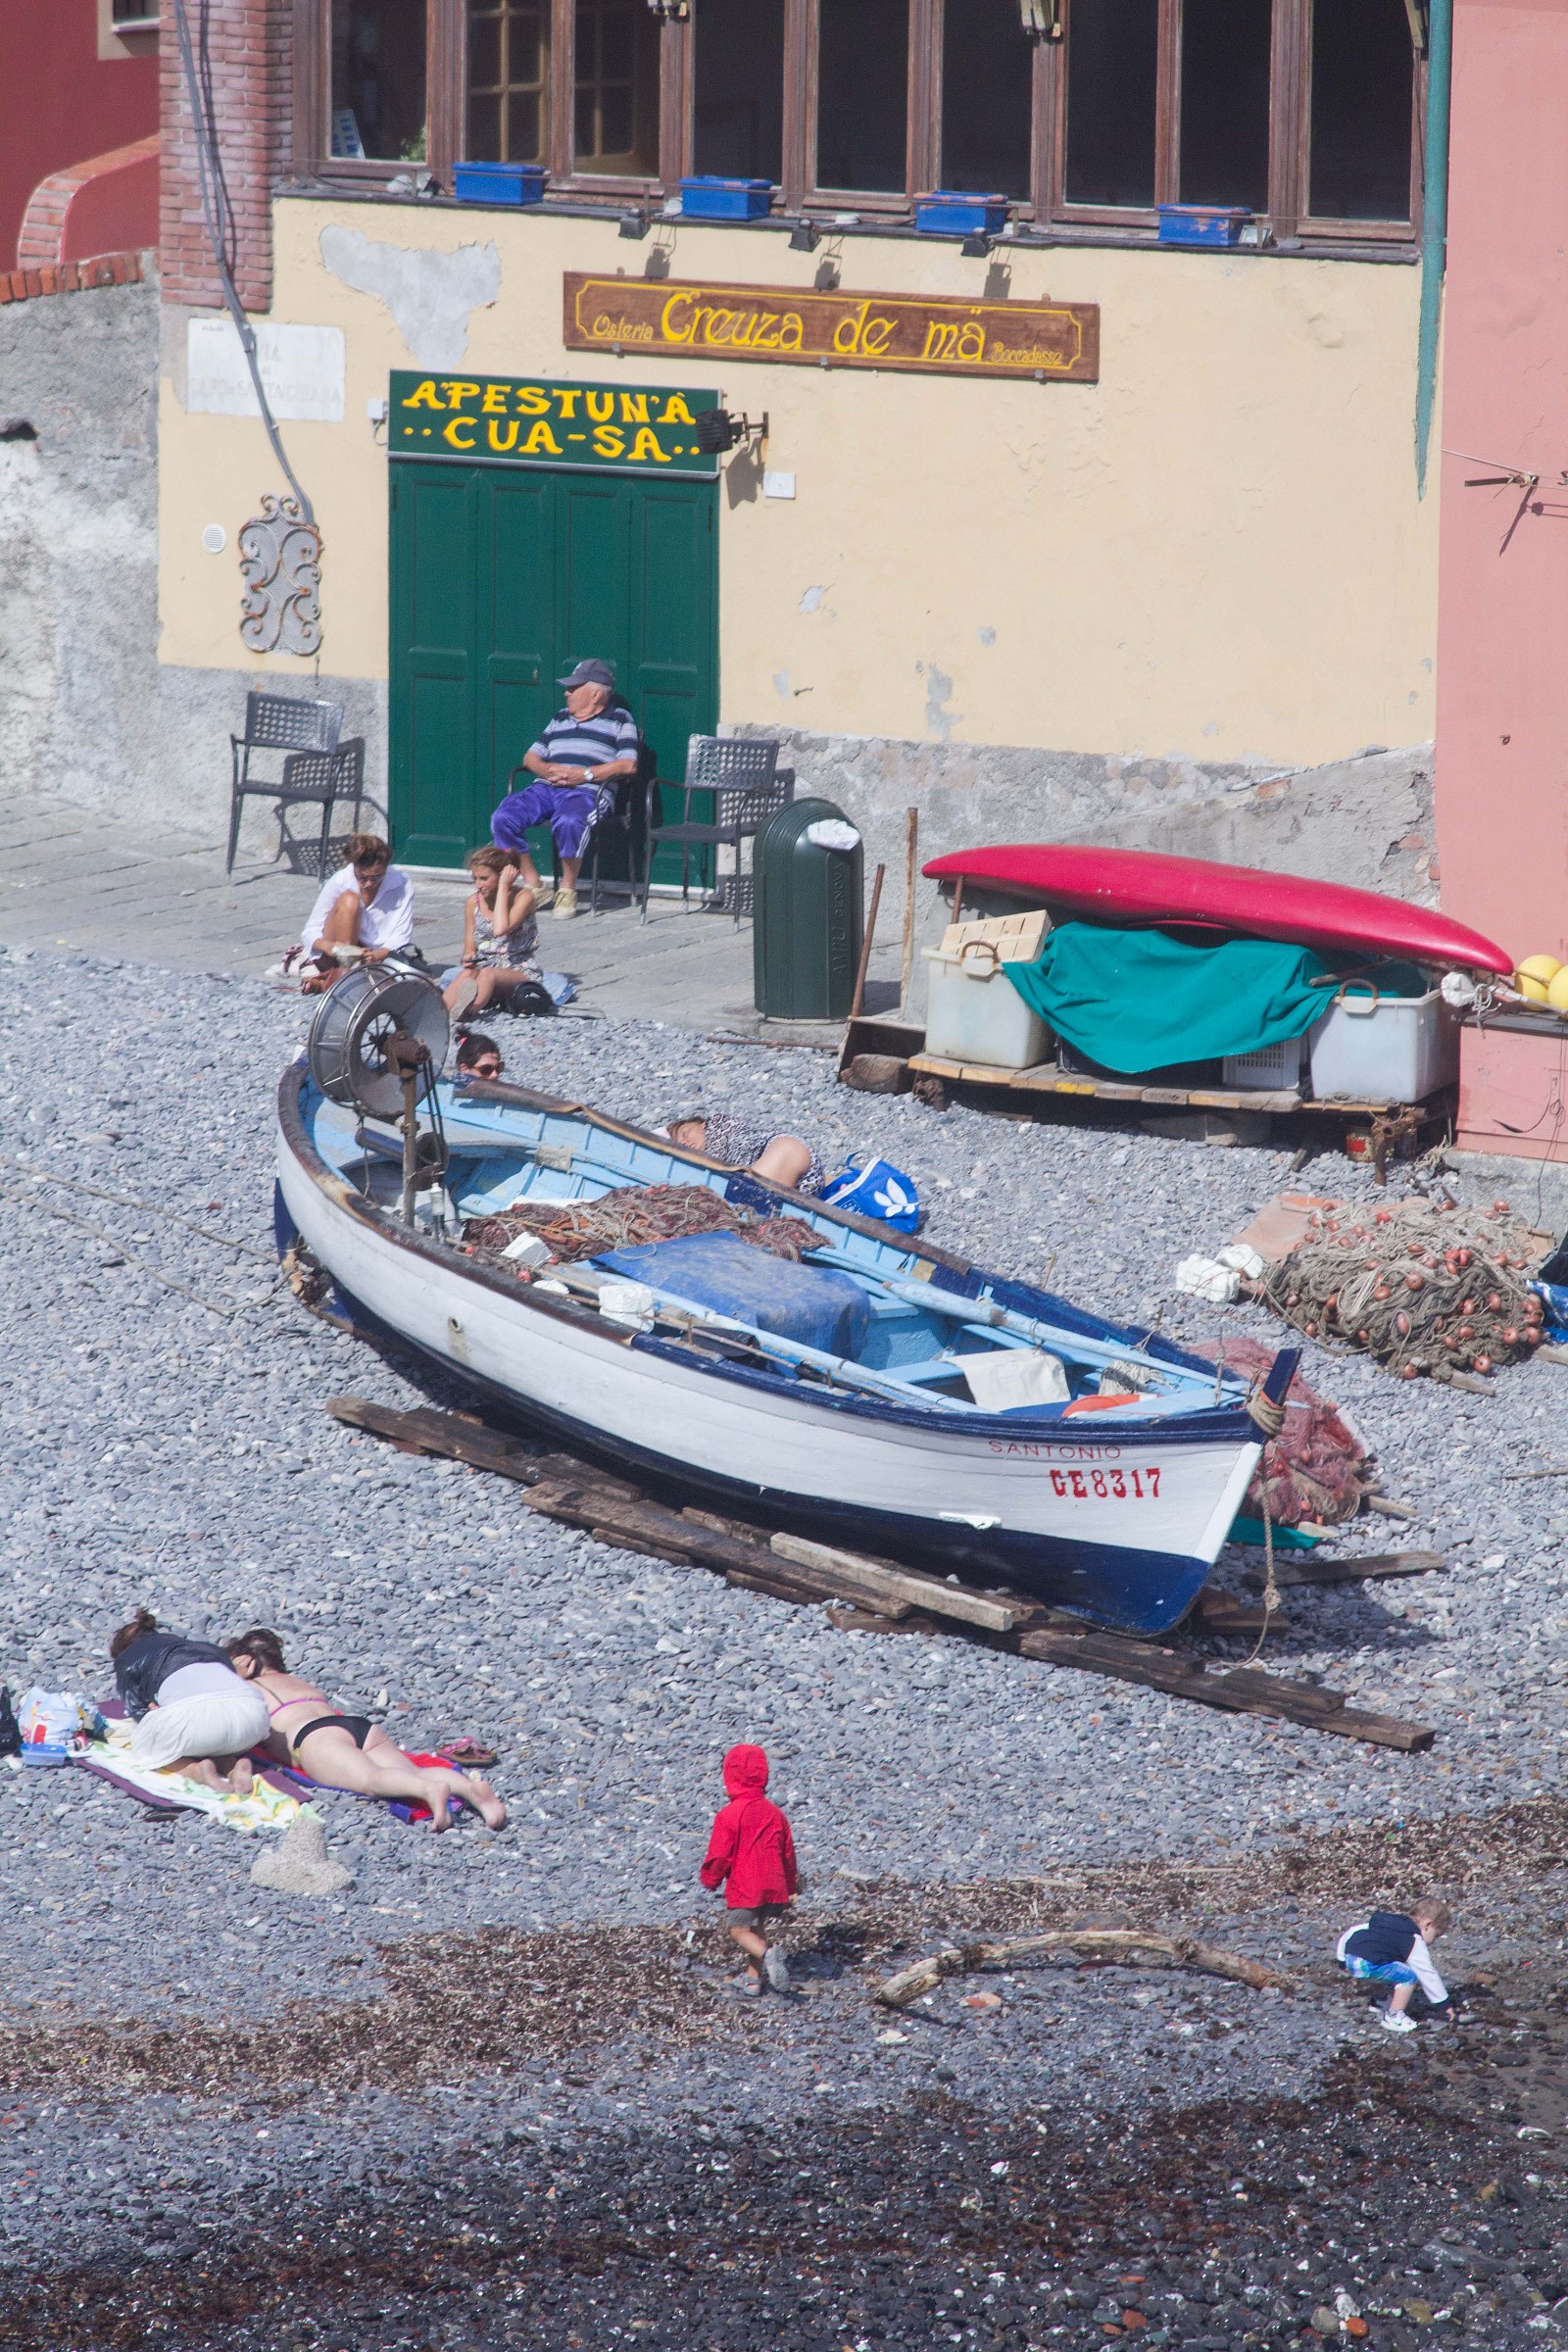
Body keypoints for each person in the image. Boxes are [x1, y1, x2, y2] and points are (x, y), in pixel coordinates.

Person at [224, 1629, 507, 1834]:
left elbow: (216, 1705)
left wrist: (232, 1673)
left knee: (372, 1778)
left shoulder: (244, 1688)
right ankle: (472, 1791)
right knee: (413, 1769)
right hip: (356, 1726)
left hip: (313, 1739)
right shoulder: (296, 1681)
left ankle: (429, 1791)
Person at [489, 660, 640, 921]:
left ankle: (567, 889)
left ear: (596, 693)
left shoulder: (620, 719)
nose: (566, 693)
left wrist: (584, 774)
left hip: (588, 791)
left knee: (570, 821)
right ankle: (535, 884)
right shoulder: (560, 717)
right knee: (503, 818)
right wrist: (545, 770)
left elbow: (628, 764)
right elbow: (530, 758)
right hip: (546, 788)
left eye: (573, 688)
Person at [109, 1608, 270, 1793]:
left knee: (147, 1743)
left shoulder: (127, 1659)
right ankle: (232, 1766)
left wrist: (155, 1712)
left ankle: (196, 1771)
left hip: (199, 1723)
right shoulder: (206, 1647)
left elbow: (138, 1712)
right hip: (254, 1719)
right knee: (210, 1733)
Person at [699, 1742, 799, 1996]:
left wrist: (710, 1880)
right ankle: (753, 1980)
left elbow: (720, 1855)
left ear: (730, 1776)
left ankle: (769, 1955)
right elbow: (788, 1853)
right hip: (773, 1884)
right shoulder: (775, 1814)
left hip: (746, 1885)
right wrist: (790, 1886)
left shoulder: (729, 1815)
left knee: (739, 1930)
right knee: (757, 1928)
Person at [284, 834, 416, 995]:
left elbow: (401, 935)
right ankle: (346, 975)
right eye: (362, 877)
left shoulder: (402, 883)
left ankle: (330, 982)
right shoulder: (340, 880)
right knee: (349, 900)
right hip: (337, 951)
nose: (369, 884)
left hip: (377, 956)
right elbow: (310, 931)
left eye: (376, 877)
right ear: (353, 866)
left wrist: (377, 955)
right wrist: (331, 948)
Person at [444, 848, 541, 1017]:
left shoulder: (524, 897)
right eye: (475, 878)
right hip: (484, 965)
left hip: (518, 969)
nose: (478, 885)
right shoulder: (473, 902)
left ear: (503, 876)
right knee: (468, 973)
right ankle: (439, 1010)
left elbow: (500, 929)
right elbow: (469, 945)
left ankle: (469, 1009)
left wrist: (504, 886)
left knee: (488, 975)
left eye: (484, 878)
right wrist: (468, 957)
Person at [1336, 1898, 1452, 2033]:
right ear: (1428, 1924)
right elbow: (1427, 1974)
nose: (1434, 1941)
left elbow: (1353, 1931)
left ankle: (1380, 2000)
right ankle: (1394, 2017)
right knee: (1409, 1977)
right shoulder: (1414, 1939)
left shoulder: (1387, 1922)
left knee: (1385, 1960)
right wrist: (1444, 2005)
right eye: (1436, 1935)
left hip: (1352, 1959)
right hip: (1368, 1965)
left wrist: (1341, 1959)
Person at [665, 1108, 826, 1198]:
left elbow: (715, 1161)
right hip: (788, 1164)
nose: (685, 1142)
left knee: (748, 1206)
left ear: (700, 1123)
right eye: (681, 1144)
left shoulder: (718, 1123)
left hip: (784, 1149)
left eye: (685, 1133)